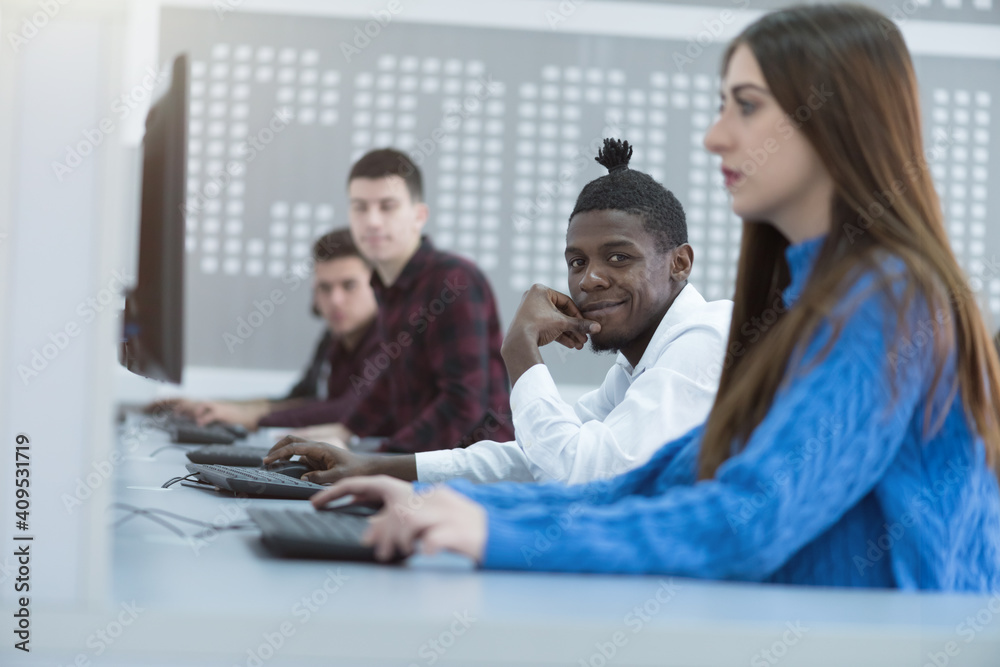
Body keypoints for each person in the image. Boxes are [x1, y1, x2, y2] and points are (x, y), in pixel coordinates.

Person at [311, 4, 1000, 590]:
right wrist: (443, 500)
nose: (713, 135)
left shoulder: (888, 301)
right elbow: (666, 482)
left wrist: (487, 526)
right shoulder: (816, 301)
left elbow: (743, 519)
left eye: (746, 106)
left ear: (833, 122)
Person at [266, 139, 732, 486]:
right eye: (577, 262)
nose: (589, 279)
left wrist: (519, 352)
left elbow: (579, 474)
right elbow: (533, 459)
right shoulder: (636, 368)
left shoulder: (705, 341)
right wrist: (375, 467)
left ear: (680, 263)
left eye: (618, 257)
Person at [291, 148, 514, 453]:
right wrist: (343, 431)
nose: (372, 221)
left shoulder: (453, 280)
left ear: (418, 216)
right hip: (425, 467)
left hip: (474, 474)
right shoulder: (387, 286)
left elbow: (464, 405)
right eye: (360, 207)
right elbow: (388, 384)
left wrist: (378, 460)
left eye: (387, 207)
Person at [153, 228, 379, 429]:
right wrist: (212, 405)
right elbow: (301, 399)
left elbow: (350, 409)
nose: (336, 300)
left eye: (349, 286)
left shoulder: (389, 340)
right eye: (325, 288)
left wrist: (251, 418)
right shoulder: (333, 339)